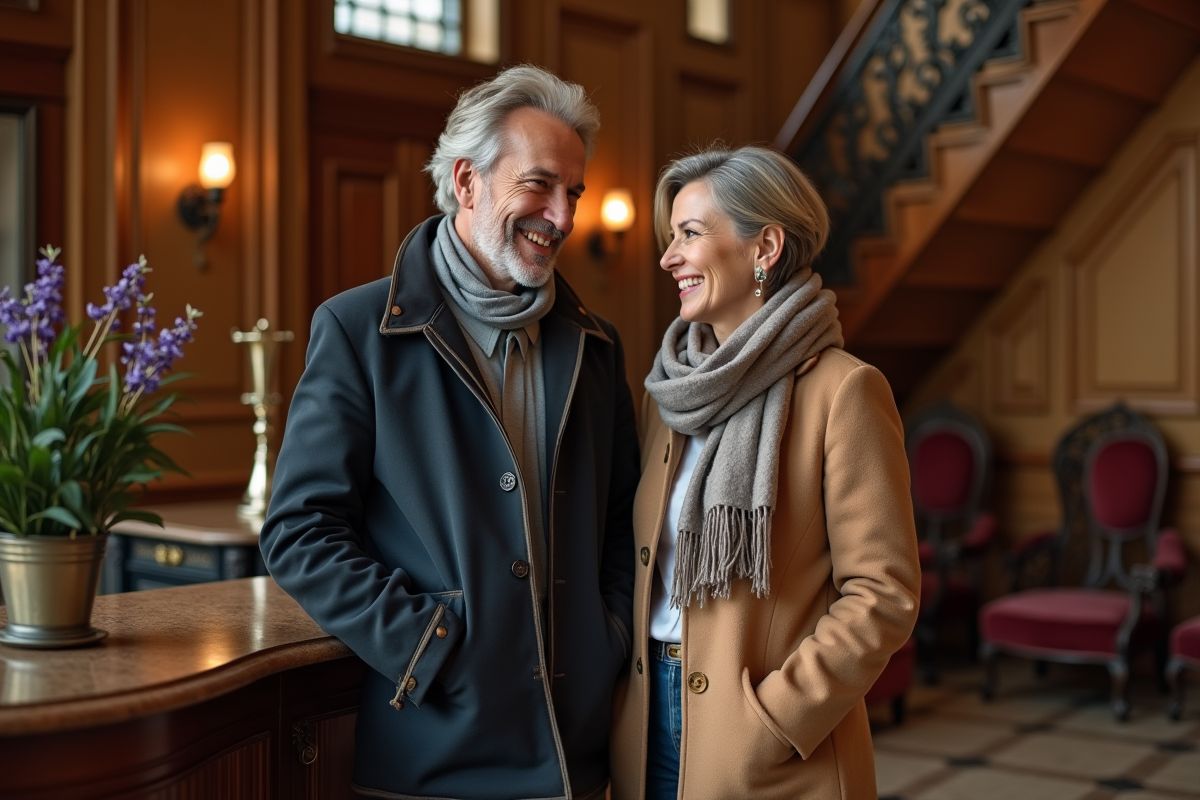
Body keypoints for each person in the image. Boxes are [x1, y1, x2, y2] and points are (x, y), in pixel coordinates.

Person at [260, 65, 639, 800]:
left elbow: (622, 525)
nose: (561, 216)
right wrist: (425, 647)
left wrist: (608, 638)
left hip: (578, 754)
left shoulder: (599, 346)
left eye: (574, 194)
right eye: (539, 185)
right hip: (433, 754)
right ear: (467, 182)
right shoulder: (357, 330)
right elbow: (299, 532)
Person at [609, 145, 921, 799]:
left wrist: (776, 717)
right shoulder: (667, 396)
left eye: (689, 234)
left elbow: (883, 593)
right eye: (672, 239)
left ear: (765, 247)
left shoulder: (845, 391)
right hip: (644, 732)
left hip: (767, 748)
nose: (669, 258)